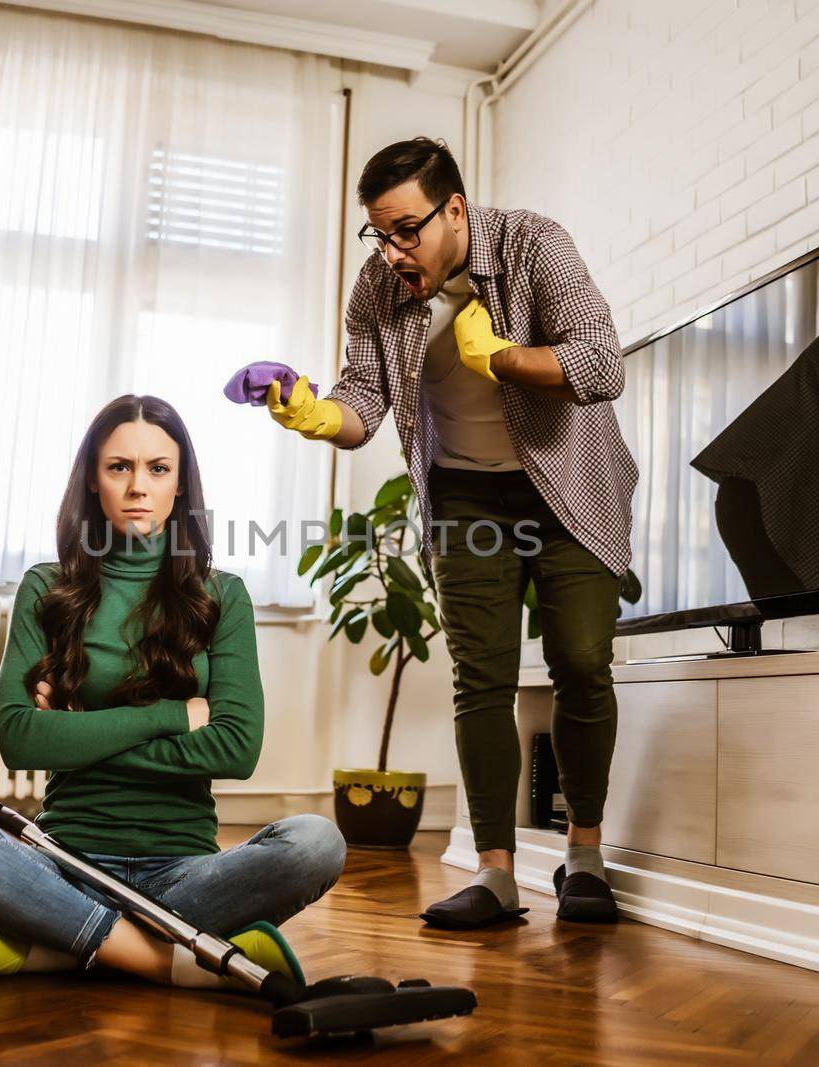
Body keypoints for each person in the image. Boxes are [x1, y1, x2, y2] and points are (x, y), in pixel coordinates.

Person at [260, 138, 636, 927]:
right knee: (483, 674)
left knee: (579, 660)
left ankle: (586, 859)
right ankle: (495, 873)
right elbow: (363, 400)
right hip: (465, 495)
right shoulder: (378, 288)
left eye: (406, 230)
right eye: (378, 233)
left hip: (565, 483)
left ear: (454, 209)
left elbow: (603, 364)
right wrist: (313, 413)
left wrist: (505, 358)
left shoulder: (535, 244)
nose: (393, 251)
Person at [0, 394, 346, 984]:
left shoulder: (223, 596)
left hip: (185, 871)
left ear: (181, 484)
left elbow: (236, 749)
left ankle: (56, 944)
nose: (139, 486)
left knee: (316, 842)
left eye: (158, 469)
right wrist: (171, 715)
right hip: (61, 862)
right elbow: (19, 739)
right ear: (93, 480)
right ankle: (166, 961)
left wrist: (76, 728)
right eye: (120, 467)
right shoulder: (47, 588)